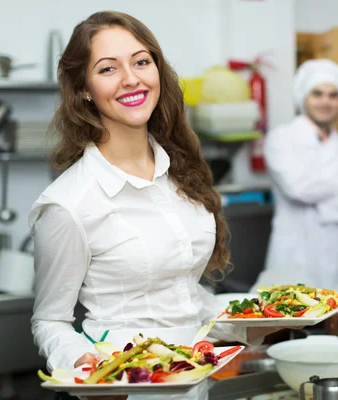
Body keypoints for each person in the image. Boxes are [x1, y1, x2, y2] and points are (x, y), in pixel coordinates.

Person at [29, 11, 279, 400]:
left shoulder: (181, 170)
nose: (131, 78)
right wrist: (84, 366)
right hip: (125, 389)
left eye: (141, 62)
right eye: (108, 68)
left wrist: (251, 324)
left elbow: (185, 300)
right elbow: (49, 319)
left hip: (196, 382)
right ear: (84, 89)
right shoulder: (68, 203)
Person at [251, 59, 338, 293]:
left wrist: (320, 206)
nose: (325, 101)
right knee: (289, 319)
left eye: (333, 95)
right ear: (304, 98)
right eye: (317, 94)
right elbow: (298, 189)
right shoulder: (281, 139)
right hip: (293, 254)